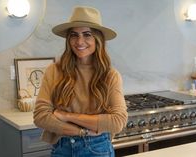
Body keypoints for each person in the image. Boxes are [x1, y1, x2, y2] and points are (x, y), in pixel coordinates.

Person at [33, 6, 128, 157]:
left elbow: (117, 122)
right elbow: (40, 117)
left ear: (98, 39)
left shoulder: (110, 75)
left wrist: (66, 116)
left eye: (87, 34)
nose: (79, 41)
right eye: (74, 35)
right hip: (62, 148)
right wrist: (82, 131)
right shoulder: (54, 71)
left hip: (97, 149)